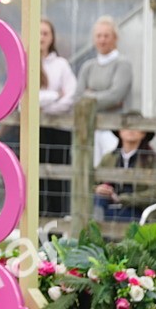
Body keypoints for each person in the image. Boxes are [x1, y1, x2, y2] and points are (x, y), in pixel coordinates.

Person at [73, 16, 134, 164]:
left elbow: (116, 96)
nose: (102, 40)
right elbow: (77, 98)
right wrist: (101, 97)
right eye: (98, 36)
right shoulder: (88, 66)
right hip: (89, 129)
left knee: (110, 168)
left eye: (106, 36)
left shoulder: (123, 64)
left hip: (113, 129)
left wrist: (89, 95)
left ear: (115, 38)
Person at [94, 111, 156, 224]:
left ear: (143, 133)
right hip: (108, 208)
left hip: (140, 212)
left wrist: (123, 199)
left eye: (136, 126)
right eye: (127, 125)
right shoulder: (108, 158)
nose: (131, 129)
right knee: (97, 202)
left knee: (120, 219)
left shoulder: (152, 160)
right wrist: (98, 189)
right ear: (119, 131)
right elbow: (90, 182)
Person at [38, 18, 78, 217]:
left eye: (46, 33)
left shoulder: (61, 65)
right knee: (35, 183)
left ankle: (57, 234)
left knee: (56, 183)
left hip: (59, 132)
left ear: (52, 37)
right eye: (38, 33)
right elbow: (24, 101)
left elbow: (70, 97)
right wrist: (54, 96)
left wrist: (43, 106)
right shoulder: (24, 62)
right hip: (34, 132)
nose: (41, 37)